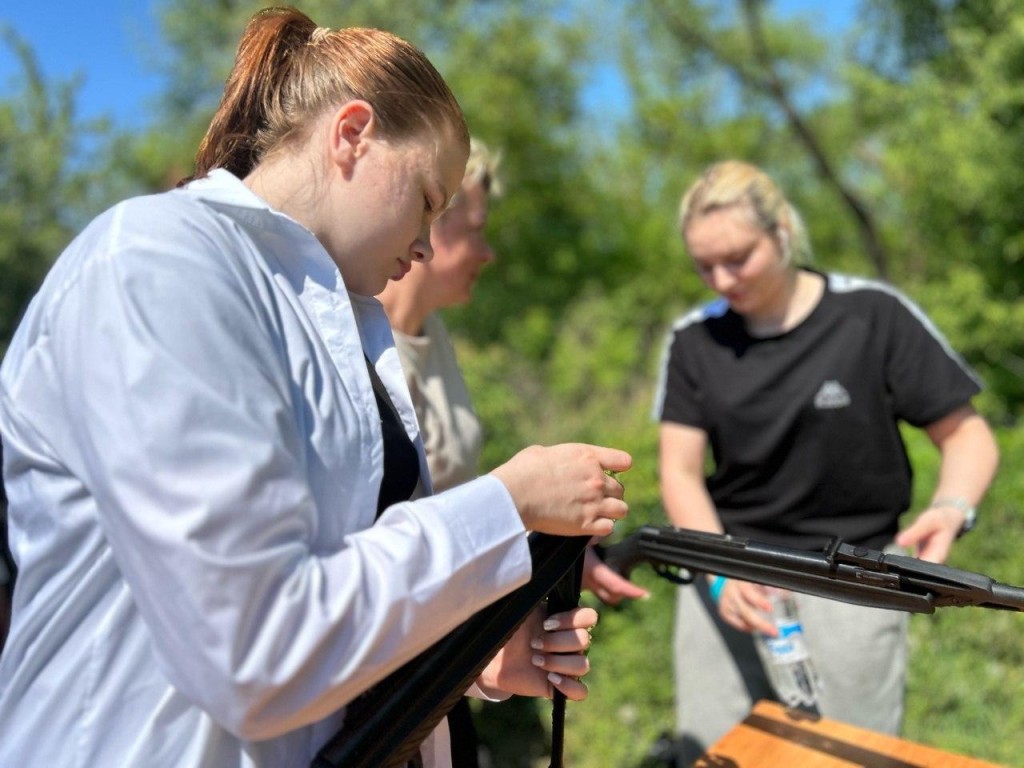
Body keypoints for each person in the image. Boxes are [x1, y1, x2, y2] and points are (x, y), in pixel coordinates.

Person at [0, 8, 633, 768]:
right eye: (429, 199)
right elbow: (258, 651)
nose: (429, 241)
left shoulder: (344, 326)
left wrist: (469, 657)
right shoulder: (158, 262)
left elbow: (338, 598)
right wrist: (505, 502)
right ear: (353, 134)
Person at [653, 159, 999, 761]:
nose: (722, 278)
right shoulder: (694, 340)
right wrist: (716, 570)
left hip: (853, 574)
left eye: (738, 257)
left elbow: (969, 436)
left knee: (847, 753)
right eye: (704, 265)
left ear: (783, 231)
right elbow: (679, 471)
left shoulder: (872, 316)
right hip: (730, 567)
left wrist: (951, 508)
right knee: (719, 751)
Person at [379, 138, 647, 765]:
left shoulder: (434, 337)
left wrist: (551, 560)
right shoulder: (355, 346)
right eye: (474, 230)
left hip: (446, 676)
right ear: (425, 220)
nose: (488, 251)